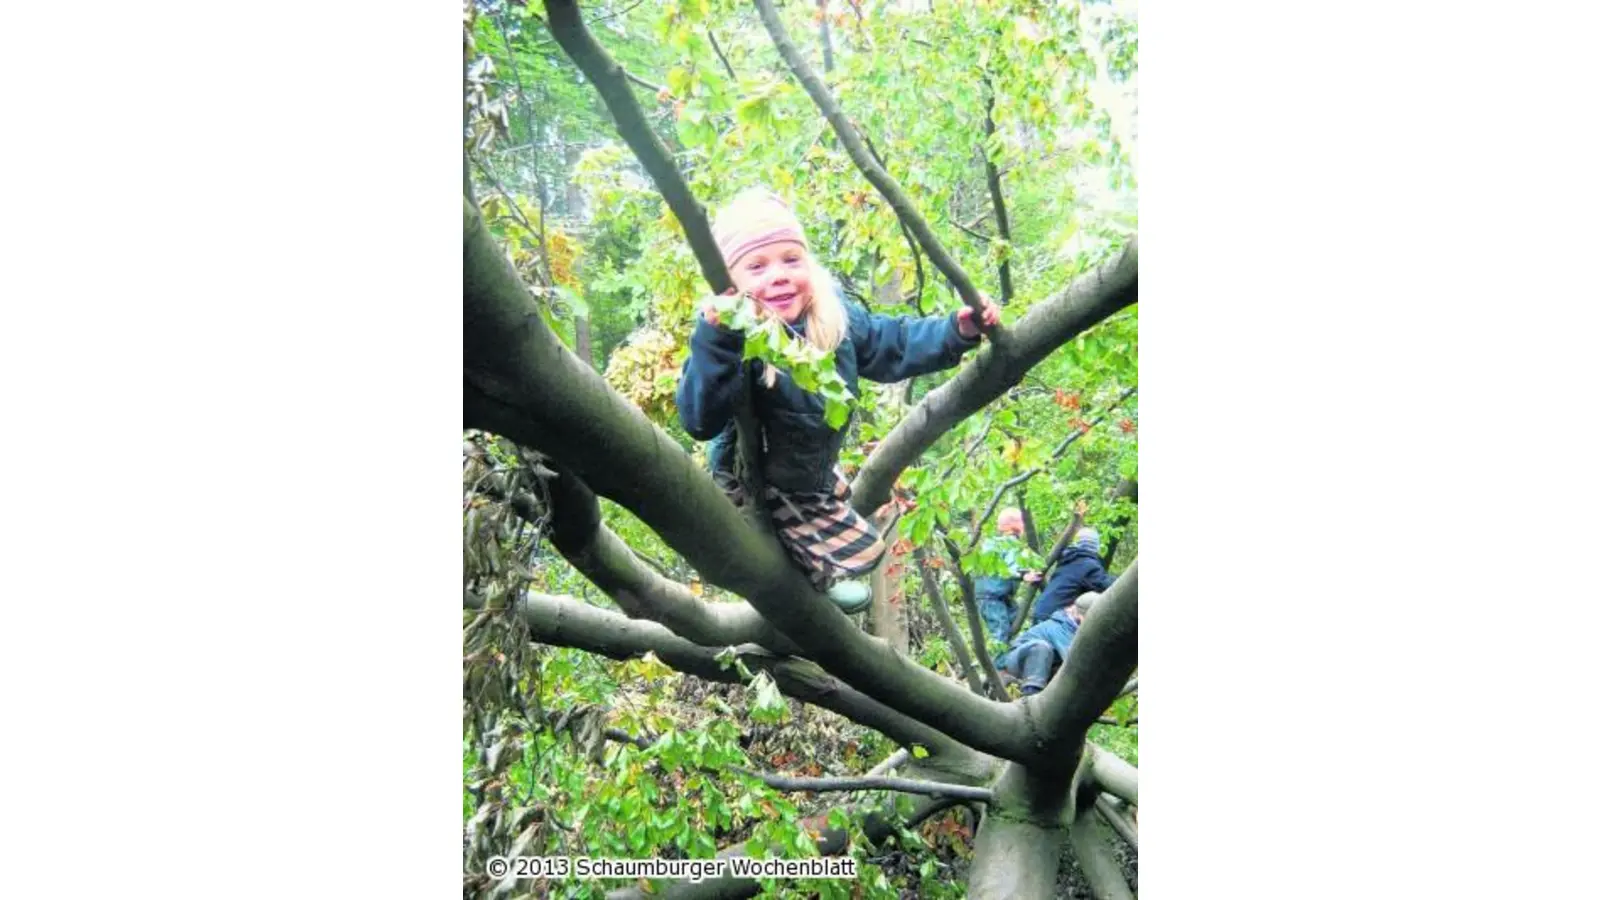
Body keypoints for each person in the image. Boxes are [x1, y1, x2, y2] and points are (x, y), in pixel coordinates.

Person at [676, 187, 1000, 613]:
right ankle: (804, 581)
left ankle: (813, 576)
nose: (778, 275)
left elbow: (895, 343)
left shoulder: (834, 319)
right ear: (731, 285)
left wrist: (956, 332)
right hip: (751, 483)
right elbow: (700, 417)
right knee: (833, 547)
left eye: (791, 259)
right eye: (756, 267)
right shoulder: (734, 339)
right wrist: (717, 338)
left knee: (864, 544)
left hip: (807, 470)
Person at [998, 590, 1101, 695]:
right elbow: (1074, 661)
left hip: (1044, 664)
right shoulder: (1060, 628)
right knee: (1041, 647)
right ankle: (1031, 692)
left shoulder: (1073, 626)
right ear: (1079, 614)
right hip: (1018, 662)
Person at [974, 507, 1042, 645]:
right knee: (1000, 632)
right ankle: (1000, 665)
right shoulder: (1010, 543)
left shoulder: (992, 542)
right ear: (1015, 525)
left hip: (999, 597)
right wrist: (1024, 575)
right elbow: (1010, 567)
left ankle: (1011, 656)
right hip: (992, 598)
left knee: (1015, 620)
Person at [1031, 527, 1116, 625]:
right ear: (1095, 547)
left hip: (1041, 612)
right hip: (1054, 619)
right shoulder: (1088, 565)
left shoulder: (1068, 560)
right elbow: (1106, 585)